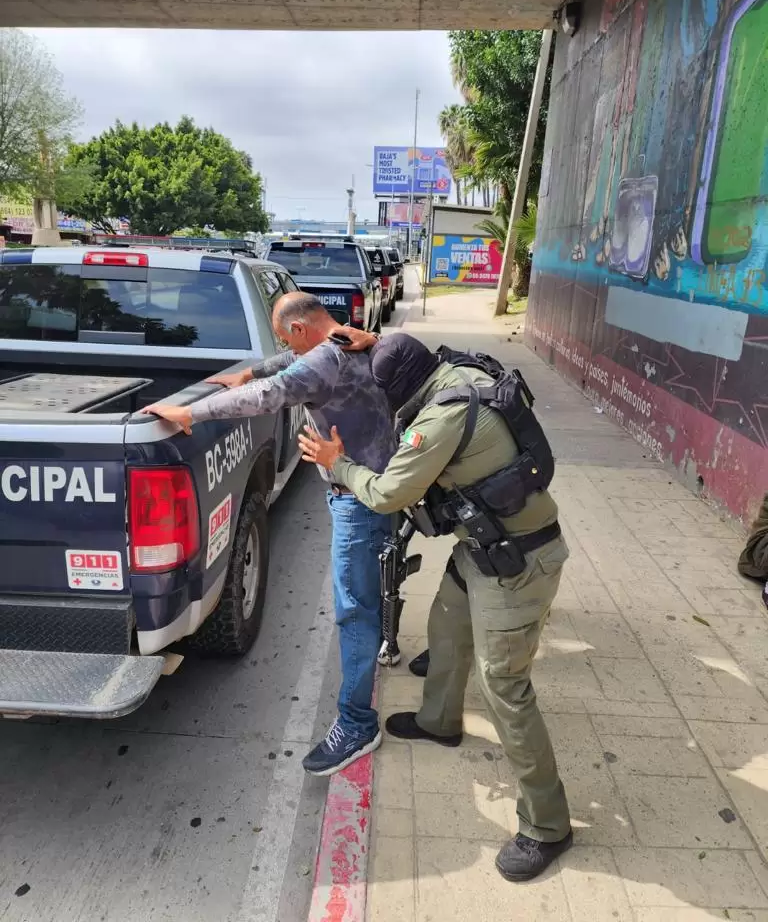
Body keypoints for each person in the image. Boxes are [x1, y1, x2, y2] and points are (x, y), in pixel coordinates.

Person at [297, 331, 572, 881]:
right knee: (446, 624)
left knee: (505, 687)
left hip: (519, 564)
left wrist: (338, 461)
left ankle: (548, 825)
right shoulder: (454, 373)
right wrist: (374, 344)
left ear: (401, 388)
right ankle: (439, 720)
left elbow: (387, 494)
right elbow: (409, 354)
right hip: (482, 549)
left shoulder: (438, 420)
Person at [142, 292, 396, 777]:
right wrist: (253, 369)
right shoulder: (350, 339)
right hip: (380, 485)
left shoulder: (323, 360)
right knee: (371, 592)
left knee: (353, 612)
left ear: (300, 329)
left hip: (357, 500)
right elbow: (286, 364)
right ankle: (377, 653)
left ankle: (358, 723)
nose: (286, 349)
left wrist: (192, 413)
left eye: (286, 339)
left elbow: (268, 396)